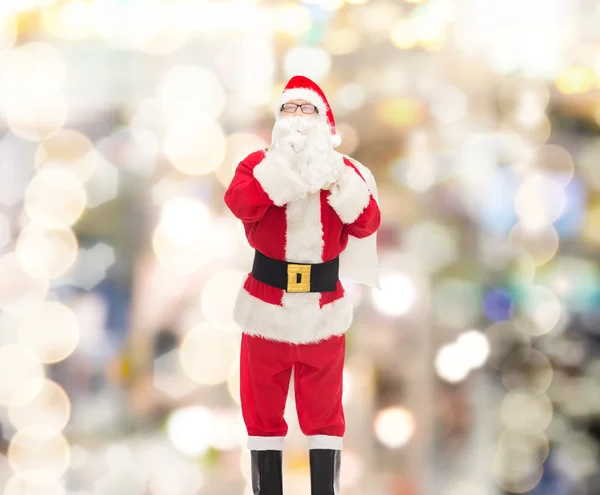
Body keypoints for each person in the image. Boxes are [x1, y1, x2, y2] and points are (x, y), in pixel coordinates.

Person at [224, 74, 381, 494]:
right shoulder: (257, 167)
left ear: (324, 120)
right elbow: (239, 202)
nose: (297, 119)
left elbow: (367, 222)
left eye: (306, 109)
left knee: (325, 413)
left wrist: (340, 184)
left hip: (322, 309)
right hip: (267, 307)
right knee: (261, 412)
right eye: (289, 109)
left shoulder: (346, 172)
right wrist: (279, 174)